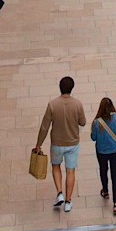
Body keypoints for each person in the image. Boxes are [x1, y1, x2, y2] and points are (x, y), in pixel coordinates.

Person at [34, 76, 86, 212]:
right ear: (72, 88)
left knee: (56, 166)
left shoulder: (52, 104)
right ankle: (68, 201)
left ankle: (59, 193)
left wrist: (38, 144)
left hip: (57, 143)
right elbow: (83, 122)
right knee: (70, 171)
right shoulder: (77, 104)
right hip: (72, 142)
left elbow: (44, 127)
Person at [90, 96, 116, 216]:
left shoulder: (97, 122)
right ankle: (115, 204)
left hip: (102, 152)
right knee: (115, 175)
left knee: (103, 170)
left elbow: (93, 138)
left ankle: (105, 191)